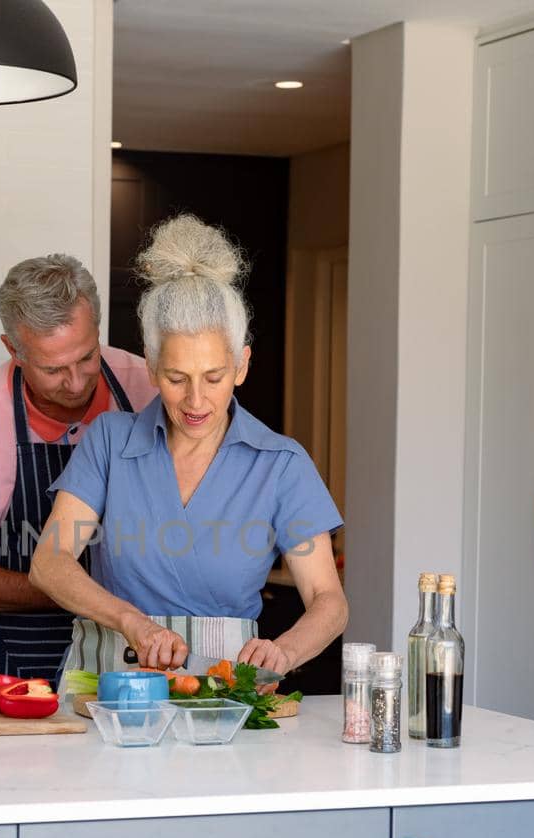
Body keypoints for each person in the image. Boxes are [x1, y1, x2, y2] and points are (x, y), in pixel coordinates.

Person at [29, 215, 347, 685]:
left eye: (213, 378)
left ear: (242, 365)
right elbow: (49, 563)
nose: (196, 401)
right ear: (152, 367)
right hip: (109, 685)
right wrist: (133, 623)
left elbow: (328, 599)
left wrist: (284, 651)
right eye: (177, 379)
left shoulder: (281, 464)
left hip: (225, 692)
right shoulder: (109, 442)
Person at [0, 254, 158, 682]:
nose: (78, 382)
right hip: (15, 670)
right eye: (53, 369)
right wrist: (77, 593)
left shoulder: (149, 390)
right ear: (14, 350)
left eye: (86, 357)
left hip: (132, 664)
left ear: (97, 329)